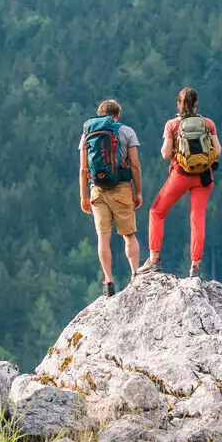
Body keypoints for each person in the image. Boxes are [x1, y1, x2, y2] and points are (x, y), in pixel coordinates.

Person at [142, 87, 221, 277]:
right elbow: (217, 150)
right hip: (203, 177)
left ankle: (154, 259)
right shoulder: (208, 123)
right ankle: (195, 265)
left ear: (178, 103)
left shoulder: (172, 125)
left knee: (157, 211)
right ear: (196, 104)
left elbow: (165, 154)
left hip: (180, 174)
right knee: (197, 217)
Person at [79, 99, 144, 297]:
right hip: (121, 188)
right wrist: (138, 191)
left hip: (97, 190)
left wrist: (84, 196)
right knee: (129, 234)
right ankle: (135, 275)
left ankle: (108, 281)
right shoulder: (126, 131)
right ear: (117, 115)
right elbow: (134, 164)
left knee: (103, 238)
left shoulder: (87, 134)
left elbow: (83, 169)